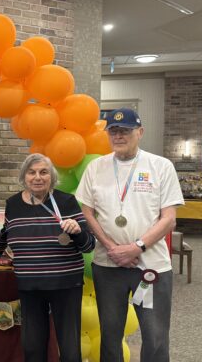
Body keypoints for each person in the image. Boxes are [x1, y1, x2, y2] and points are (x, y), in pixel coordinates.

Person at [75, 108, 184, 362]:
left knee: (155, 335)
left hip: (151, 266)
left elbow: (169, 218)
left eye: (125, 131)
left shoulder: (161, 166)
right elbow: (87, 212)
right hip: (108, 265)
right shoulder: (96, 167)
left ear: (140, 132)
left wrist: (136, 247)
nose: (118, 136)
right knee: (110, 334)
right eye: (113, 131)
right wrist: (111, 247)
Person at [0, 153, 95, 362]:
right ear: (24, 177)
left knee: (70, 349)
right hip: (30, 286)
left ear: (51, 176)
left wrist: (77, 231)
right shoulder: (13, 204)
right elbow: (4, 237)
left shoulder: (66, 201)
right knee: (32, 347)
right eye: (32, 172)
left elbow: (89, 245)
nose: (37, 177)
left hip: (65, 284)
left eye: (43, 172)